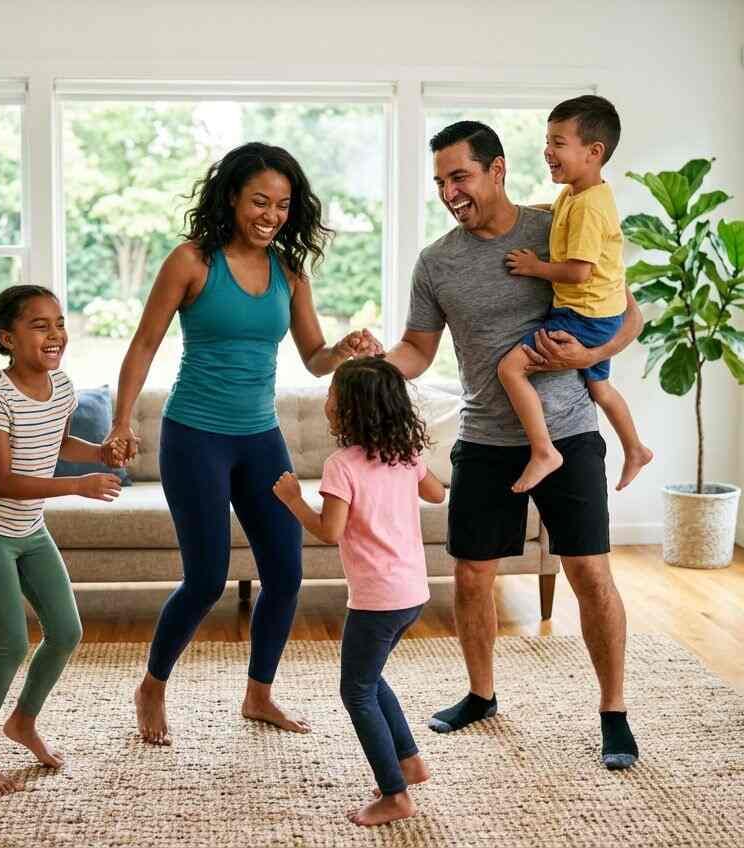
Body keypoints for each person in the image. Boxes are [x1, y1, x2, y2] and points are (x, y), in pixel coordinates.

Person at [383, 120, 645, 770]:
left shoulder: (555, 227)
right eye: (441, 181)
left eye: (460, 177)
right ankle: (481, 694)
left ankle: (614, 711)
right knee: (472, 576)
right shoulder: (437, 262)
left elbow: (628, 312)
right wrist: (374, 366)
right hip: (485, 438)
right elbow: (417, 349)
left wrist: (592, 354)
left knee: (590, 574)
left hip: (571, 432)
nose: (450, 192)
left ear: (496, 170)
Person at [103, 142, 380, 746]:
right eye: (260, 201)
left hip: (260, 440)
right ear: (231, 197)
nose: (271, 215)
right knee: (206, 579)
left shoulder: (290, 272)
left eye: (282, 205)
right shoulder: (192, 261)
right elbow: (144, 344)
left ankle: (259, 694)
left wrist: (343, 349)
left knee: (286, 573)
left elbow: (314, 357)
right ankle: (152, 684)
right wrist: (122, 421)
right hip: (194, 437)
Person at [0, 284, 126, 795]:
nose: (55, 333)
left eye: (59, 323)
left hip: (28, 528)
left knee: (66, 632)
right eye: (40, 325)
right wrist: (77, 487)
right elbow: (2, 481)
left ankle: (22, 721)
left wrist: (100, 454)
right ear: (7, 338)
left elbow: (57, 442)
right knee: (11, 644)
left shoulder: (61, 385)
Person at [273, 357, 445, 827]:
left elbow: (330, 532)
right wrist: (411, 468)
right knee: (371, 677)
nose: (326, 401)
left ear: (349, 409)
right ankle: (408, 762)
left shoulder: (340, 466)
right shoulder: (405, 455)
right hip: (413, 593)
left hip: (377, 599)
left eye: (332, 394)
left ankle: (395, 796)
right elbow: (437, 494)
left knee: (356, 690)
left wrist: (292, 501)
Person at [500, 95, 652, 493]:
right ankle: (636, 448)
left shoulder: (588, 207)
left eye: (558, 143)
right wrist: (518, 212)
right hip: (602, 313)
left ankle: (543, 451)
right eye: (546, 141)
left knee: (510, 369)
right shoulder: (579, 193)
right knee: (600, 388)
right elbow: (557, 214)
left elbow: (579, 272)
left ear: (593, 152)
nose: (547, 151)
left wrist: (535, 267)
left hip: (582, 315)